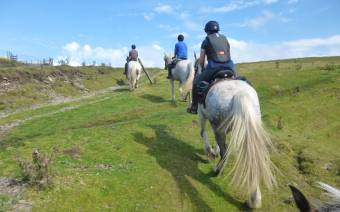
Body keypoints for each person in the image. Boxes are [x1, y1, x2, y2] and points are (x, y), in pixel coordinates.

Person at [187, 20, 236, 114]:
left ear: (207, 31)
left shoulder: (206, 40)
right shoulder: (225, 39)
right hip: (230, 67)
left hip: (214, 68)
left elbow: (201, 60)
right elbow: (228, 54)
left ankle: (194, 107)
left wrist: (201, 67)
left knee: (196, 82)